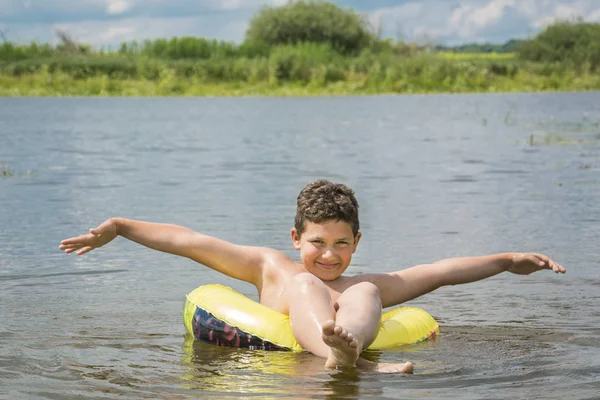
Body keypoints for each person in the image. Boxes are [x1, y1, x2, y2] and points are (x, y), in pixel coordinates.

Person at [59, 179, 566, 374]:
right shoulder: (270, 267)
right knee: (306, 288)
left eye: (342, 243)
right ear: (296, 237)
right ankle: (347, 362)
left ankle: (347, 352)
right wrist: (121, 228)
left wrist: (505, 260)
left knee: (368, 289)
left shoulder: (358, 281)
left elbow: (436, 273)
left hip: (347, 337)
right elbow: (189, 241)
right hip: (307, 351)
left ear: (357, 242)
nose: (329, 255)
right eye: (318, 242)